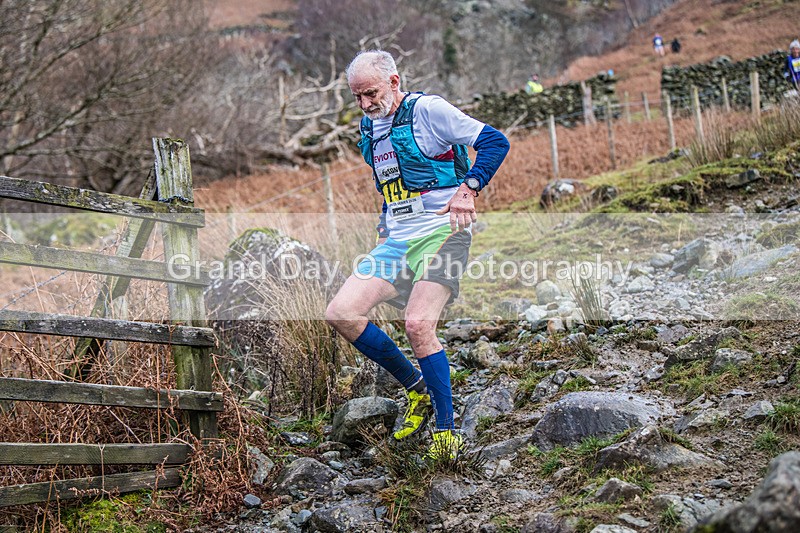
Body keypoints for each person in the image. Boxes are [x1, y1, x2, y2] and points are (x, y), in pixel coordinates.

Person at [326, 50, 509, 459]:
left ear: (394, 81)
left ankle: (446, 432)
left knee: (418, 324)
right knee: (342, 313)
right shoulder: (369, 126)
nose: (364, 104)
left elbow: (496, 141)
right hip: (396, 241)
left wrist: (469, 189)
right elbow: (392, 182)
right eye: (356, 97)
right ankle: (417, 390)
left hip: (442, 233)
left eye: (370, 93)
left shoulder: (428, 110)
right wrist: (385, 220)